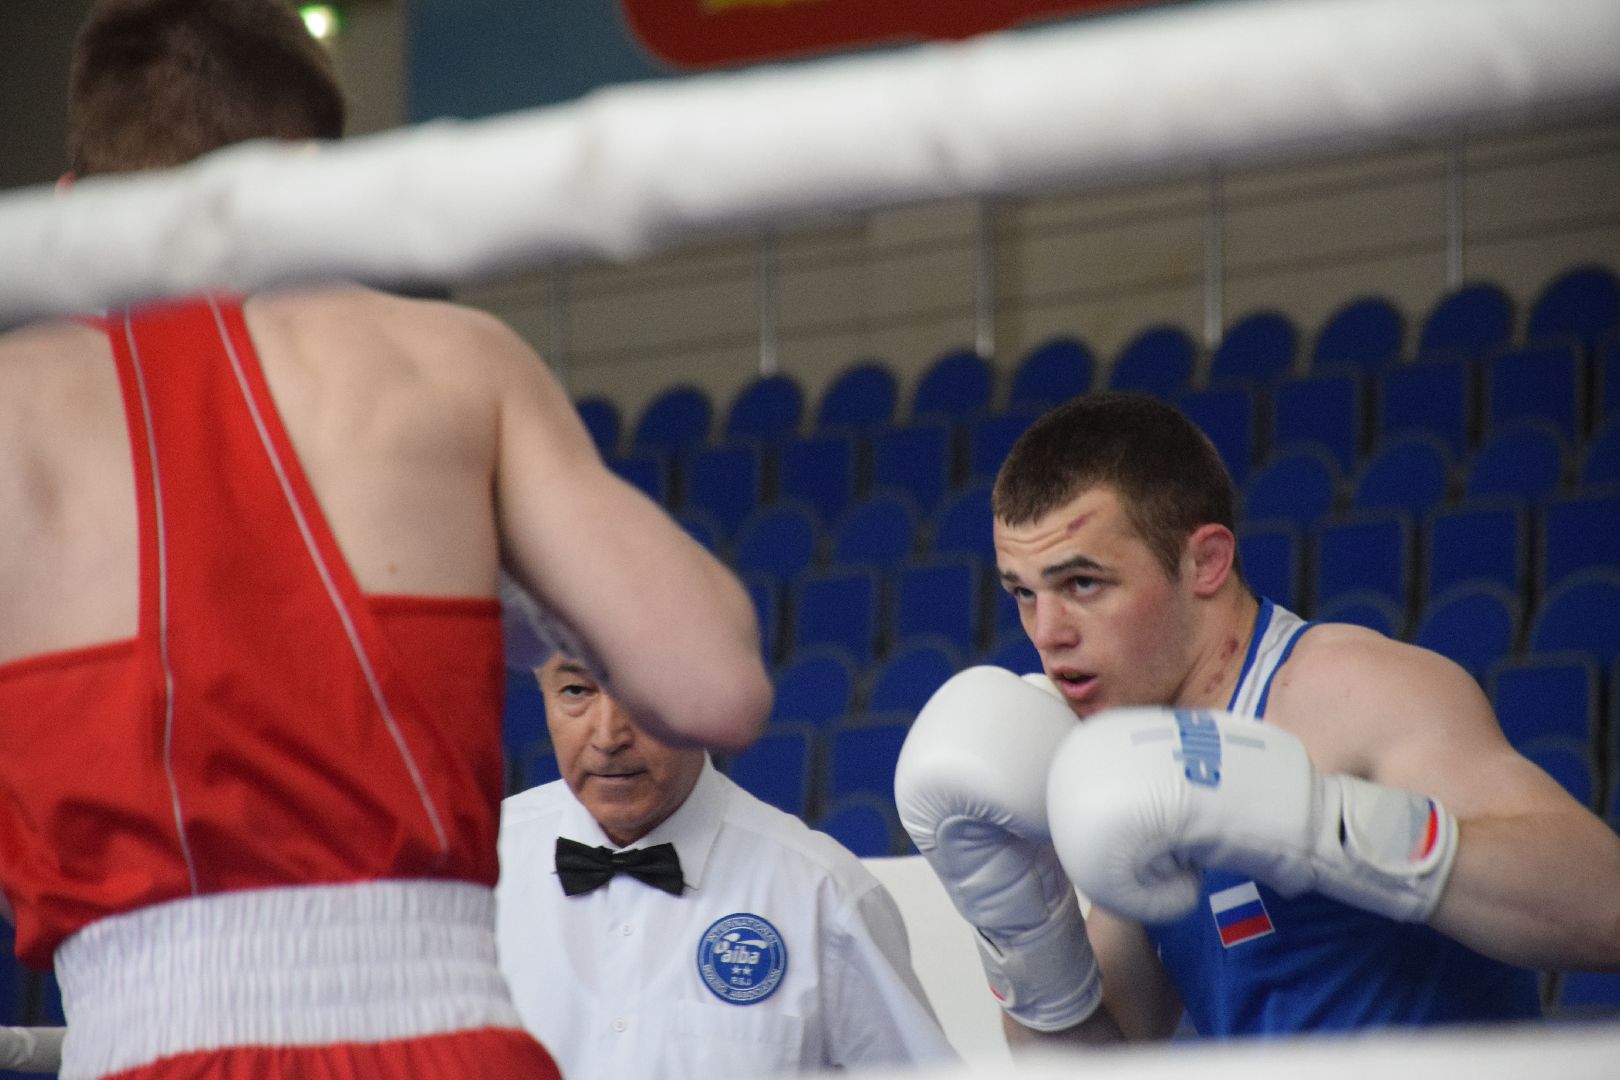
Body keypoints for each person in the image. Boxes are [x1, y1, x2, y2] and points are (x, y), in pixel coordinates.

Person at [0, 2, 771, 1078]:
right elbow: (712, 682)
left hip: (141, 1046)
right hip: (449, 1042)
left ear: (73, 201)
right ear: (319, 182)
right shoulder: (446, 360)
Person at [895, 391, 1620, 1044]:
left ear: (1206, 561)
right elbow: (1104, 1061)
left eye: (1082, 583)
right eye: (1023, 593)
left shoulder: (1353, 691)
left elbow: (1605, 909)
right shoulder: (1137, 760)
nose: (1047, 633)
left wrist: (1321, 823)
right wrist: (1023, 929)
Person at [496, 652, 959, 1078]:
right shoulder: (473, 865)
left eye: (644, 693)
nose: (608, 736)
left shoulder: (824, 894)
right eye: (577, 691)